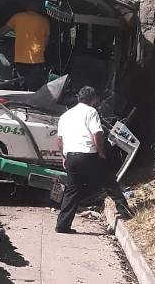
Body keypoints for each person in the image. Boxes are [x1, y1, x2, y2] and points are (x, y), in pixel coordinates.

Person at [55, 86, 133, 234]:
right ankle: (124, 211)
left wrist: (64, 156)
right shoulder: (91, 112)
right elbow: (97, 133)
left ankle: (62, 225)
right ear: (93, 99)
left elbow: (59, 140)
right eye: (96, 98)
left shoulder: (66, 115)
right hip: (88, 154)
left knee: (71, 190)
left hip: (71, 156)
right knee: (109, 182)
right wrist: (101, 152)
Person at [0, 0, 50, 91]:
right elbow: (46, 42)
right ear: (39, 7)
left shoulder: (18, 17)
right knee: (34, 89)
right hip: (38, 60)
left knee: (20, 88)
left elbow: (3, 31)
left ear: (26, 6)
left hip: (20, 59)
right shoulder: (44, 21)